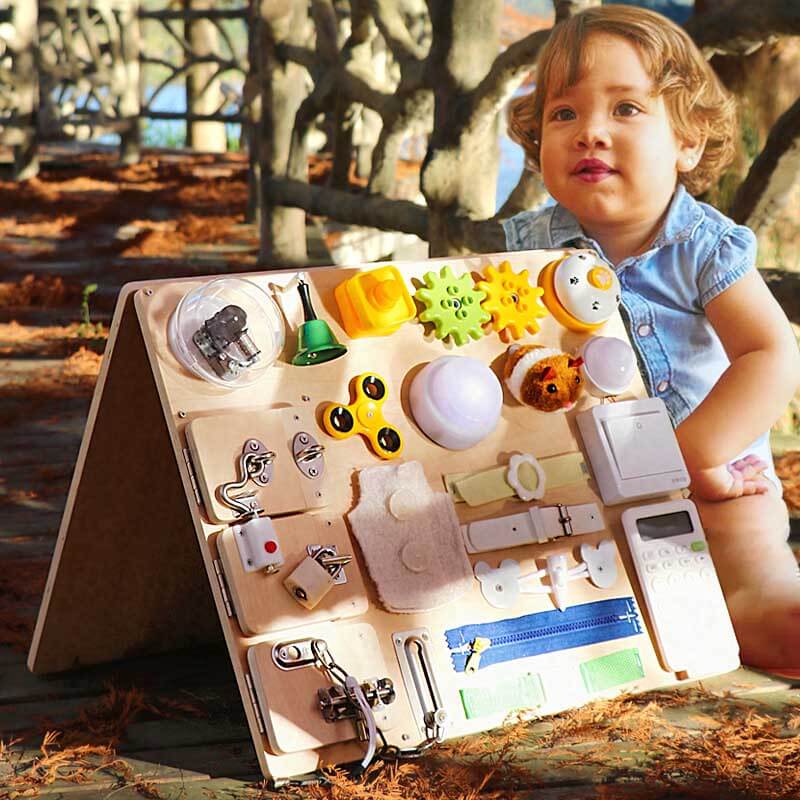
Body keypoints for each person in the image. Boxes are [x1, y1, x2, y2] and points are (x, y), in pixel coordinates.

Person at [504, 4, 800, 676]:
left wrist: (691, 461)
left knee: (760, 604)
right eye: (564, 114)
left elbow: (772, 354)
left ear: (688, 141)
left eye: (626, 109)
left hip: (718, 491)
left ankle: (773, 615)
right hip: (580, 495)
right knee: (554, 600)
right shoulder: (523, 255)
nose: (591, 133)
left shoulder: (702, 246)